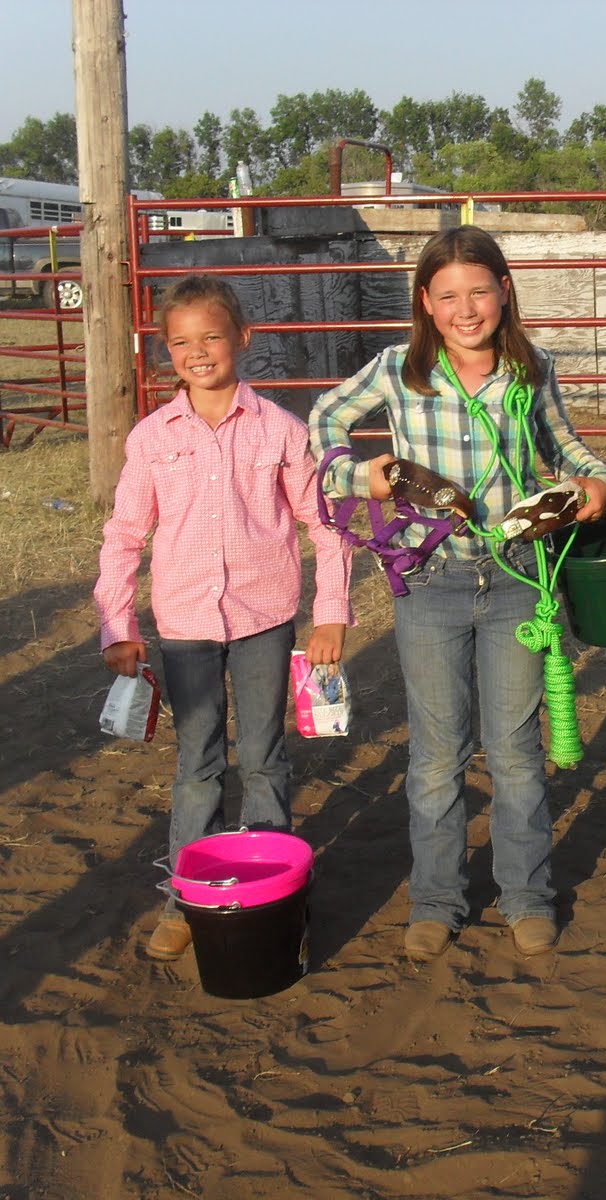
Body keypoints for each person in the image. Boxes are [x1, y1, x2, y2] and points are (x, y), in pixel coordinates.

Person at [311, 226, 606, 963]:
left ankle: (526, 896)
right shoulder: (396, 370)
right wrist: (366, 475)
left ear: (504, 290)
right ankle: (437, 901)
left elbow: (563, 445)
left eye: (479, 290)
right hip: (430, 583)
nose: (466, 308)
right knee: (439, 754)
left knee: (513, 752)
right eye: (448, 295)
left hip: (514, 579)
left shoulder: (529, 368)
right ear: (425, 302)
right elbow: (323, 423)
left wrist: (595, 481)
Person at [95, 273, 353, 962]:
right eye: (181, 342)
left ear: (243, 337)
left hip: (265, 618)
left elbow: (326, 525)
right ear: (166, 352)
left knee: (265, 757)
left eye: (212, 335)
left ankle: (269, 889)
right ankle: (189, 896)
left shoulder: (281, 430)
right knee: (198, 761)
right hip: (184, 625)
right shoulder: (152, 439)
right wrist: (117, 625)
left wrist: (331, 614)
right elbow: (125, 534)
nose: (199, 351)